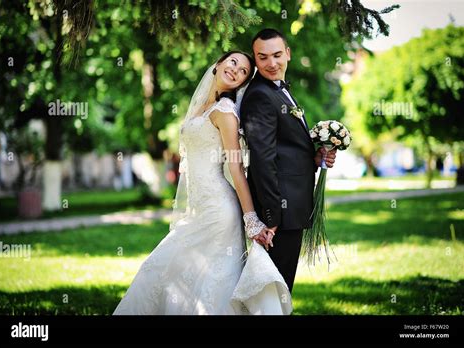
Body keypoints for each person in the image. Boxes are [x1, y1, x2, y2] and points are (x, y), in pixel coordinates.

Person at [113, 51, 292, 315]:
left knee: (204, 278)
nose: (236, 71)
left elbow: (235, 165)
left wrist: (251, 220)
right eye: (233, 63)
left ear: (242, 83)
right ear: (218, 64)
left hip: (219, 211)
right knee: (174, 272)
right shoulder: (199, 107)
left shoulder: (226, 112)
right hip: (197, 209)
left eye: (243, 71)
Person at [240, 29, 337, 293]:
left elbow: (284, 150)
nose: (271, 63)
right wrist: (271, 216)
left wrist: (315, 158)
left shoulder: (280, 90)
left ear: (288, 54)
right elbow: (262, 159)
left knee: (279, 289)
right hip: (279, 213)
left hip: (291, 206)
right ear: (255, 60)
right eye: (262, 57)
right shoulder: (260, 94)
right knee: (274, 291)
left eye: (277, 55)